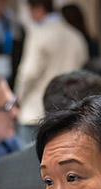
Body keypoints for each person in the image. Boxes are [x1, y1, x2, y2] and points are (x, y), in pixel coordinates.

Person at [14, 0, 88, 145]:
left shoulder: (38, 34)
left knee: (28, 162)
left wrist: (17, 99)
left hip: (34, 112)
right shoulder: (76, 36)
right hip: (66, 112)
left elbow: (28, 73)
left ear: (38, 8)